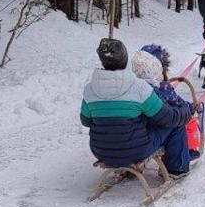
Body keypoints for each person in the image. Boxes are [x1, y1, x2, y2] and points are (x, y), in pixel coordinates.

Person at [81, 38, 192, 175]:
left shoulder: (89, 89)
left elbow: (86, 121)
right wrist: (187, 111)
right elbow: (168, 118)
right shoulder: (139, 88)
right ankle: (177, 168)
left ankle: (128, 165)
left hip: (100, 151)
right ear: (125, 59)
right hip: (135, 151)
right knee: (175, 125)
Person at [131, 44, 201, 161]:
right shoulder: (162, 89)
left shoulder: (132, 86)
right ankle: (185, 152)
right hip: (155, 128)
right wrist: (190, 108)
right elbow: (176, 103)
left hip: (137, 131)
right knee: (183, 125)